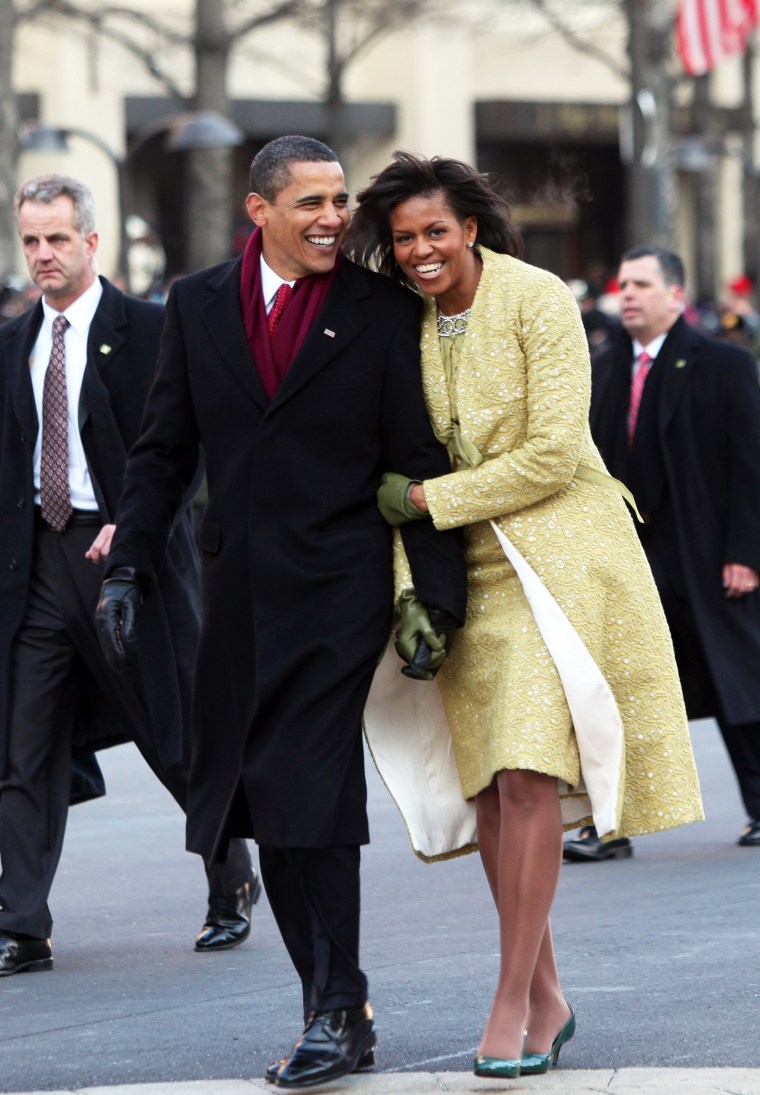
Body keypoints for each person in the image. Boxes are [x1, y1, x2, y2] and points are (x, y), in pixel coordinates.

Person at [95, 136, 467, 1089]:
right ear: (259, 210)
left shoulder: (381, 311)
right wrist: (128, 565)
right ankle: (333, 1001)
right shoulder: (198, 303)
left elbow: (417, 457)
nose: (334, 218)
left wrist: (439, 597)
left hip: (340, 591)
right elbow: (163, 450)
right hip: (237, 595)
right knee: (260, 797)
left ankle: (338, 1008)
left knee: (307, 784)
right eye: (311, 202)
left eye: (341, 199)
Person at [344, 152, 703, 1079]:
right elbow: (387, 448)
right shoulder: (399, 319)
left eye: (436, 231)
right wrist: (409, 572)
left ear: (469, 227)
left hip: (558, 556)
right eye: (404, 238)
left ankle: (509, 1000)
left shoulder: (538, 296)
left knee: (530, 771)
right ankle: (546, 994)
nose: (421, 250)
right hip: (460, 572)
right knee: (491, 789)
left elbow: (549, 455)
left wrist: (425, 500)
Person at [0, 174, 255, 978]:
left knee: (172, 734)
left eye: (57, 240)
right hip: (40, 563)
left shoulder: (149, 329)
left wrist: (138, 526)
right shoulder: (14, 342)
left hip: (128, 562)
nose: (43, 255)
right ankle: (22, 922)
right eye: (31, 240)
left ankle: (230, 876)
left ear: (92, 242)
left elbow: (190, 448)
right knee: (24, 744)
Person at [581, 245, 760, 855]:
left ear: (675, 296)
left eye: (641, 284)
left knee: (740, 690)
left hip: (708, 559)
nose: (626, 294)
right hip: (631, 560)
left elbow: (750, 466)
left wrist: (745, 553)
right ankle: (609, 825)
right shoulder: (601, 367)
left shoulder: (723, 364)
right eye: (621, 283)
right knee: (618, 693)